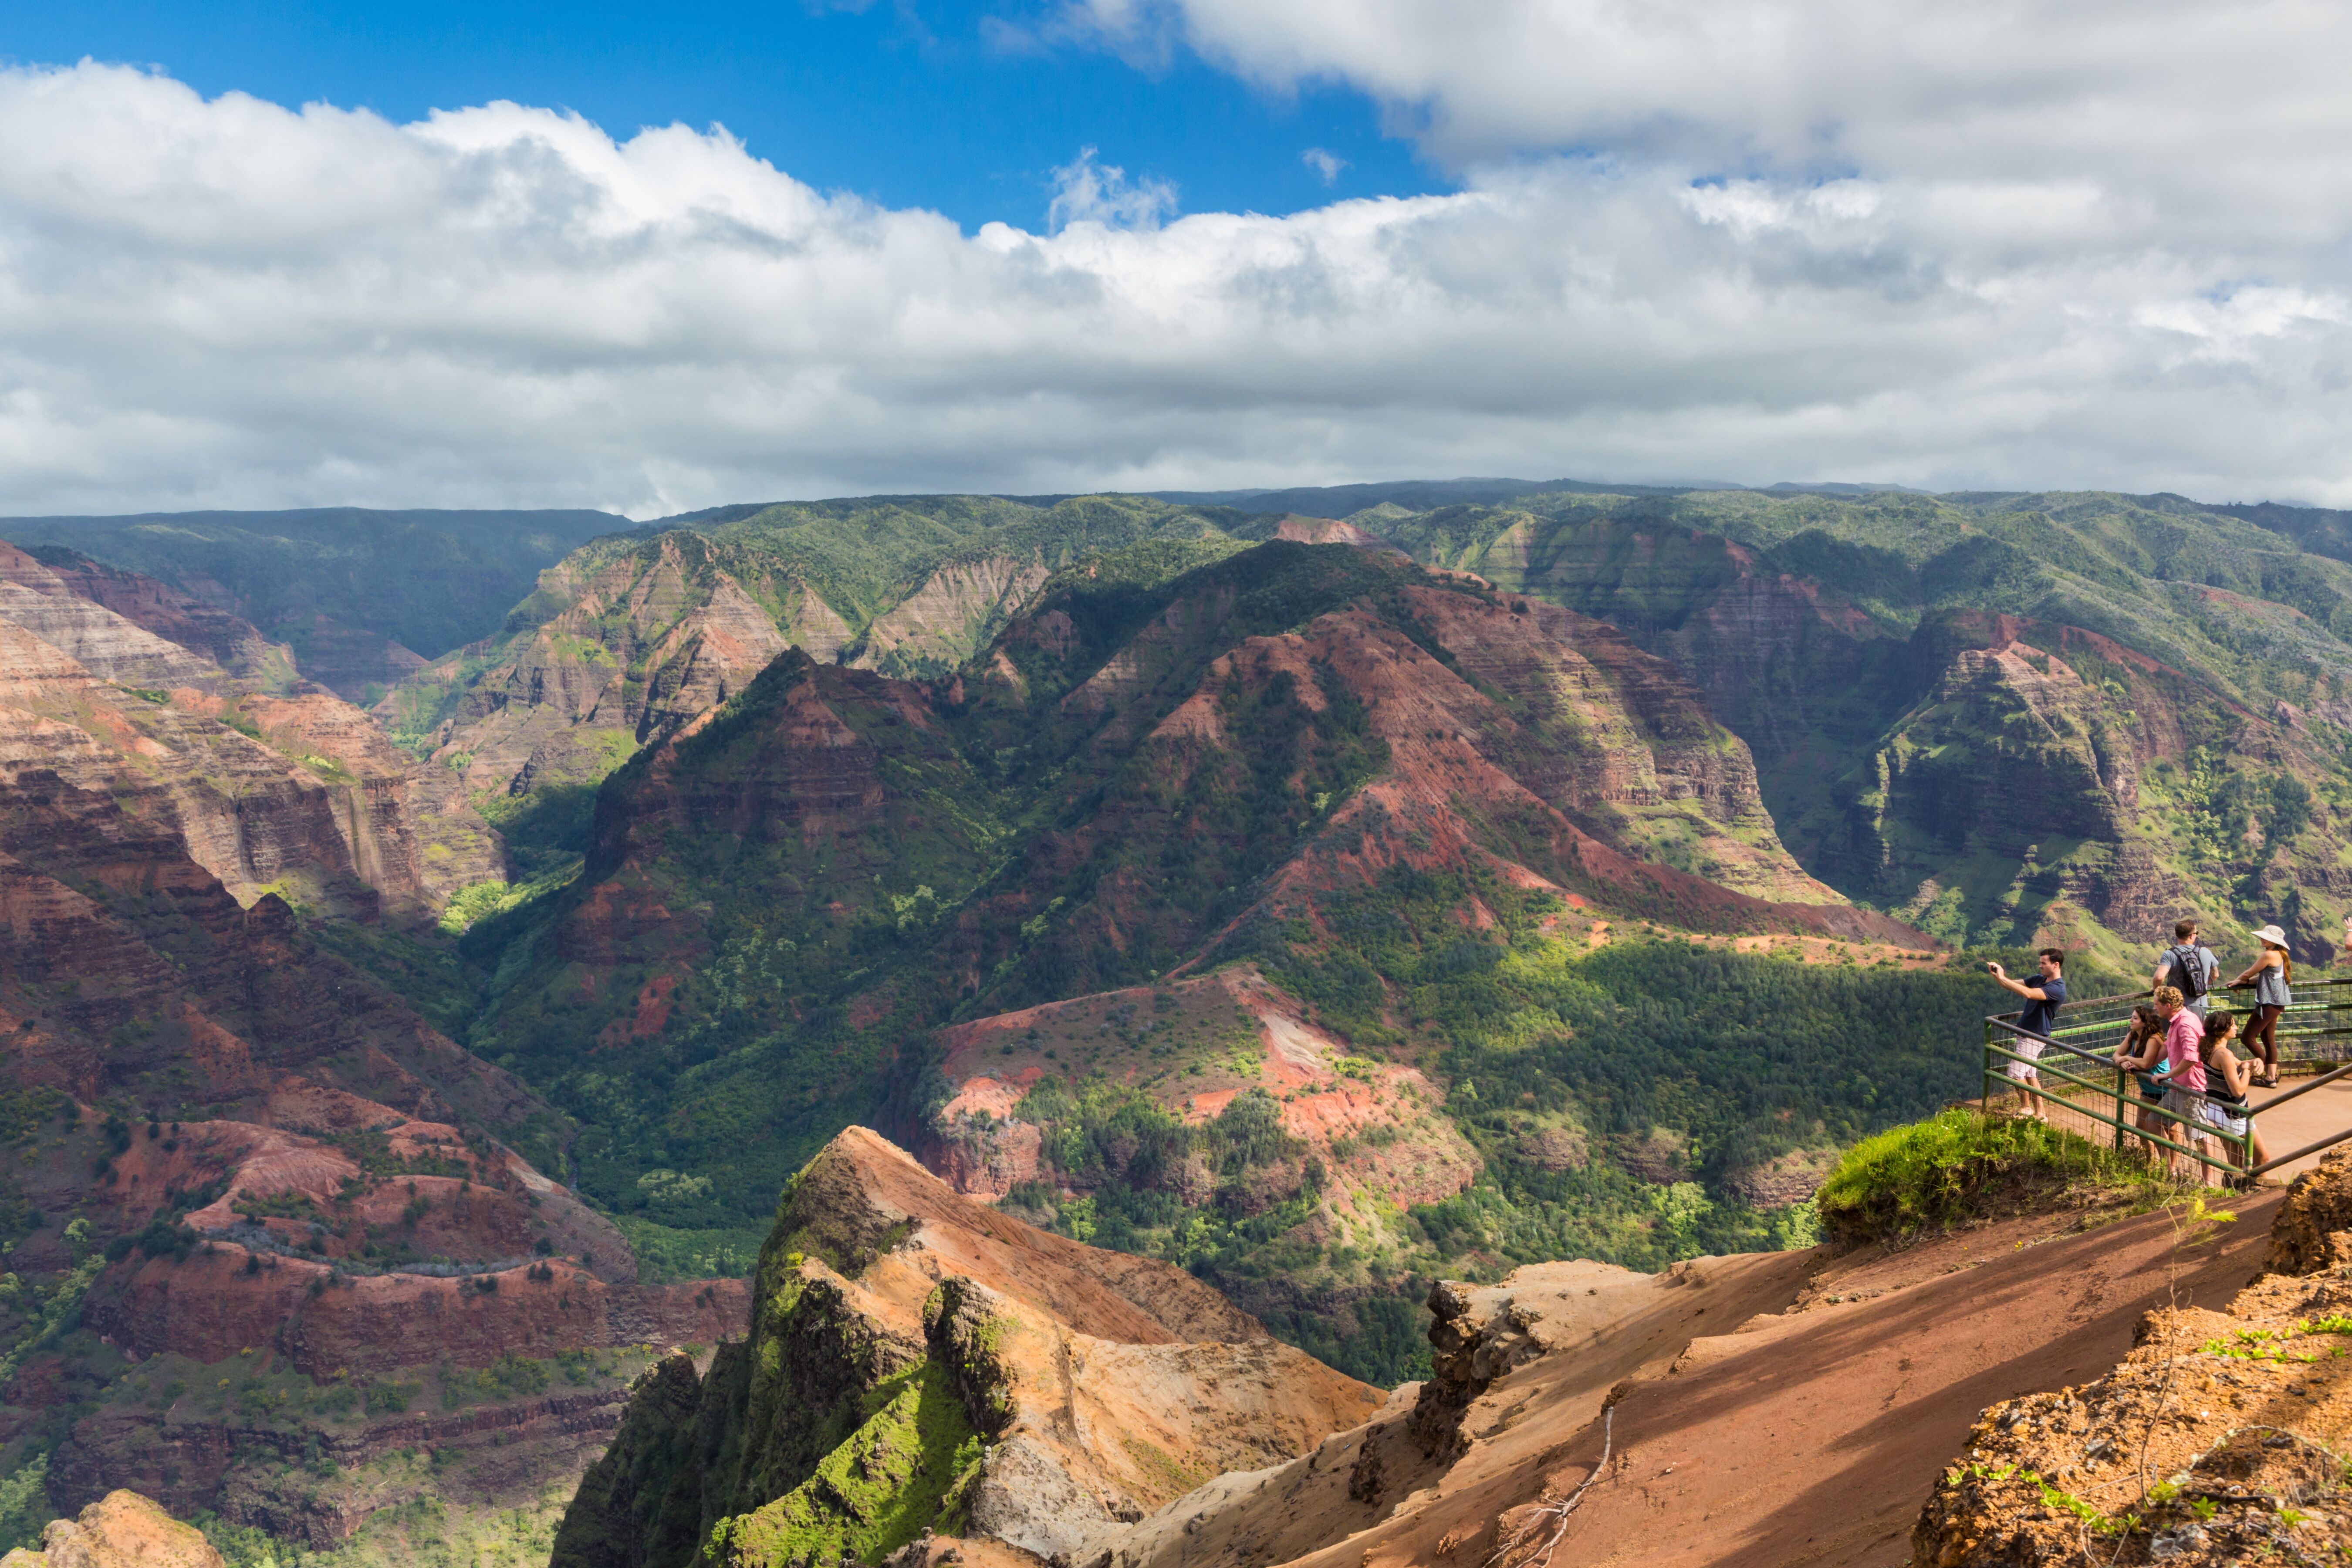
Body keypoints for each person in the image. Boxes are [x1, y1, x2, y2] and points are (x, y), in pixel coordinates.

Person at [1987, 948, 2068, 1121]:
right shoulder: (2040, 979)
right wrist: (1998, 976)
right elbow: (2010, 984)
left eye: (2043, 963)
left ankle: (2026, 1108)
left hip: (2035, 1037)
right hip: (2026, 1034)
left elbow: (2028, 993)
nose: (2040, 966)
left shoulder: (2057, 989)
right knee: (2030, 1075)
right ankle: (2041, 1114)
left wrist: (2002, 978)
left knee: (2015, 1073)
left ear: (2056, 965)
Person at [2196, 1009, 2270, 1184]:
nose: (2237, 1028)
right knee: (2263, 1159)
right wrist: (2247, 1070)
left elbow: (2240, 1063)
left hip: (2218, 1109)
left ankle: (2233, 1196)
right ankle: (2254, 1195)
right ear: (2223, 1029)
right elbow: (2238, 1090)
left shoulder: (2209, 1048)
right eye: (2233, 1024)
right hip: (2234, 1112)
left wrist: (2256, 1061)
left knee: (2235, 1162)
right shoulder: (2224, 1054)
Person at [2153, 985, 2207, 1181]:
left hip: (2191, 1087)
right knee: (2154, 1121)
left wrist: (2165, 1075)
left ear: (2168, 1006)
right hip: (2179, 1084)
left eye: (2157, 1004)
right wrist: (2144, 1065)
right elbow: (2168, 1047)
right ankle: (2172, 1169)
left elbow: (2192, 1058)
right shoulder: (2176, 1022)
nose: (2155, 1008)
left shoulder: (2184, 1024)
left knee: (2199, 1136)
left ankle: (2206, 1181)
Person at [2230, 924, 2294, 1088]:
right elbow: (2261, 978)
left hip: (2269, 1002)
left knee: (2247, 1037)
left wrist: (2239, 981)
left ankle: (2266, 1070)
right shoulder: (2280, 954)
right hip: (2276, 1002)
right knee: (2267, 1038)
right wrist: (2242, 981)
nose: (2262, 939)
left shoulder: (2268, 955)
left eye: (2266, 938)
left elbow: (2248, 974)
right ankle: (2271, 1078)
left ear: (2274, 941)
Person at [2113, 1003, 2171, 1162]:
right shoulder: (2133, 1035)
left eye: (2135, 1018)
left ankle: (2170, 1167)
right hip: (2148, 1088)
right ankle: (2150, 1162)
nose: (2131, 1020)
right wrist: (2121, 1062)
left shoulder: (2154, 1039)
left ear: (2145, 1023)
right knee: (2142, 1125)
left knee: (2168, 1130)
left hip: (2165, 1088)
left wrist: (2126, 1058)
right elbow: (2117, 1053)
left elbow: (2145, 1063)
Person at [2153, 918, 2219, 1019]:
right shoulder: (2205, 952)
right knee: (2194, 1033)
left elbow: (2159, 978)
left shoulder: (2170, 954)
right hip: (2199, 1004)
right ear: (2192, 936)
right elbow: (2215, 975)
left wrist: (2156, 990)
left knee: (2172, 1034)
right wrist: (2201, 983)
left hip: (2174, 1007)